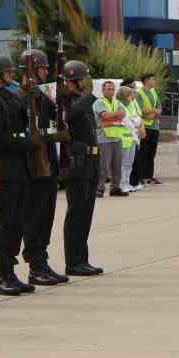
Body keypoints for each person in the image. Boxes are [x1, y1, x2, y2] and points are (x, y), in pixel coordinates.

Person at [0, 53, 36, 295]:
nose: (12, 74)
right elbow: (0, 139)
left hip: (20, 169)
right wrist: (26, 143)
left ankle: (10, 271)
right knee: (5, 223)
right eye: (8, 71)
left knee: (16, 222)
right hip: (6, 169)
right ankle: (1, 273)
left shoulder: (11, 97)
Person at [19, 50, 67, 287]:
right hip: (34, 167)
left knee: (46, 216)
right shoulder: (22, 97)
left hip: (48, 162)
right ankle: (35, 264)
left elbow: (54, 114)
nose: (46, 72)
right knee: (35, 217)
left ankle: (42, 260)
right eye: (43, 68)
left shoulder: (39, 95)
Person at [60, 60, 104, 277]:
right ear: (74, 80)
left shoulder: (82, 101)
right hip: (76, 166)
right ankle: (73, 261)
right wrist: (87, 95)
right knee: (76, 214)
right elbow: (71, 116)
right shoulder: (65, 100)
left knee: (85, 214)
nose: (88, 82)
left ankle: (82, 259)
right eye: (84, 78)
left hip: (90, 164)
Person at [95, 79, 128, 197]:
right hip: (104, 138)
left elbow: (123, 113)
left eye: (113, 89)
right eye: (108, 89)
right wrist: (116, 115)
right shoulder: (99, 102)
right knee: (104, 166)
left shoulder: (116, 102)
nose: (111, 91)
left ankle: (115, 188)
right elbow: (104, 115)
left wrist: (111, 116)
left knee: (117, 165)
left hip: (116, 138)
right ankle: (100, 188)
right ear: (103, 90)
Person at [134, 73, 163, 186]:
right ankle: (141, 176)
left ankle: (149, 176)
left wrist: (154, 112)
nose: (154, 81)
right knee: (143, 153)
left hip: (155, 126)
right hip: (145, 127)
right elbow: (140, 109)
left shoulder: (154, 92)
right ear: (146, 81)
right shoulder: (139, 93)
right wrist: (153, 111)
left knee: (152, 153)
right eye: (152, 79)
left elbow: (159, 108)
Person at [118, 85, 143, 193]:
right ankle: (121, 184)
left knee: (129, 163)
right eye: (129, 95)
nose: (131, 97)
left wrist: (135, 121)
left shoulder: (130, 105)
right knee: (123, 163)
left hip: (132, 137)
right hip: (123, 138)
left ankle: (127, 183)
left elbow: (137, 119)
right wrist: (135, 121)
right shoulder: (119, 105)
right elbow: (127, 121)